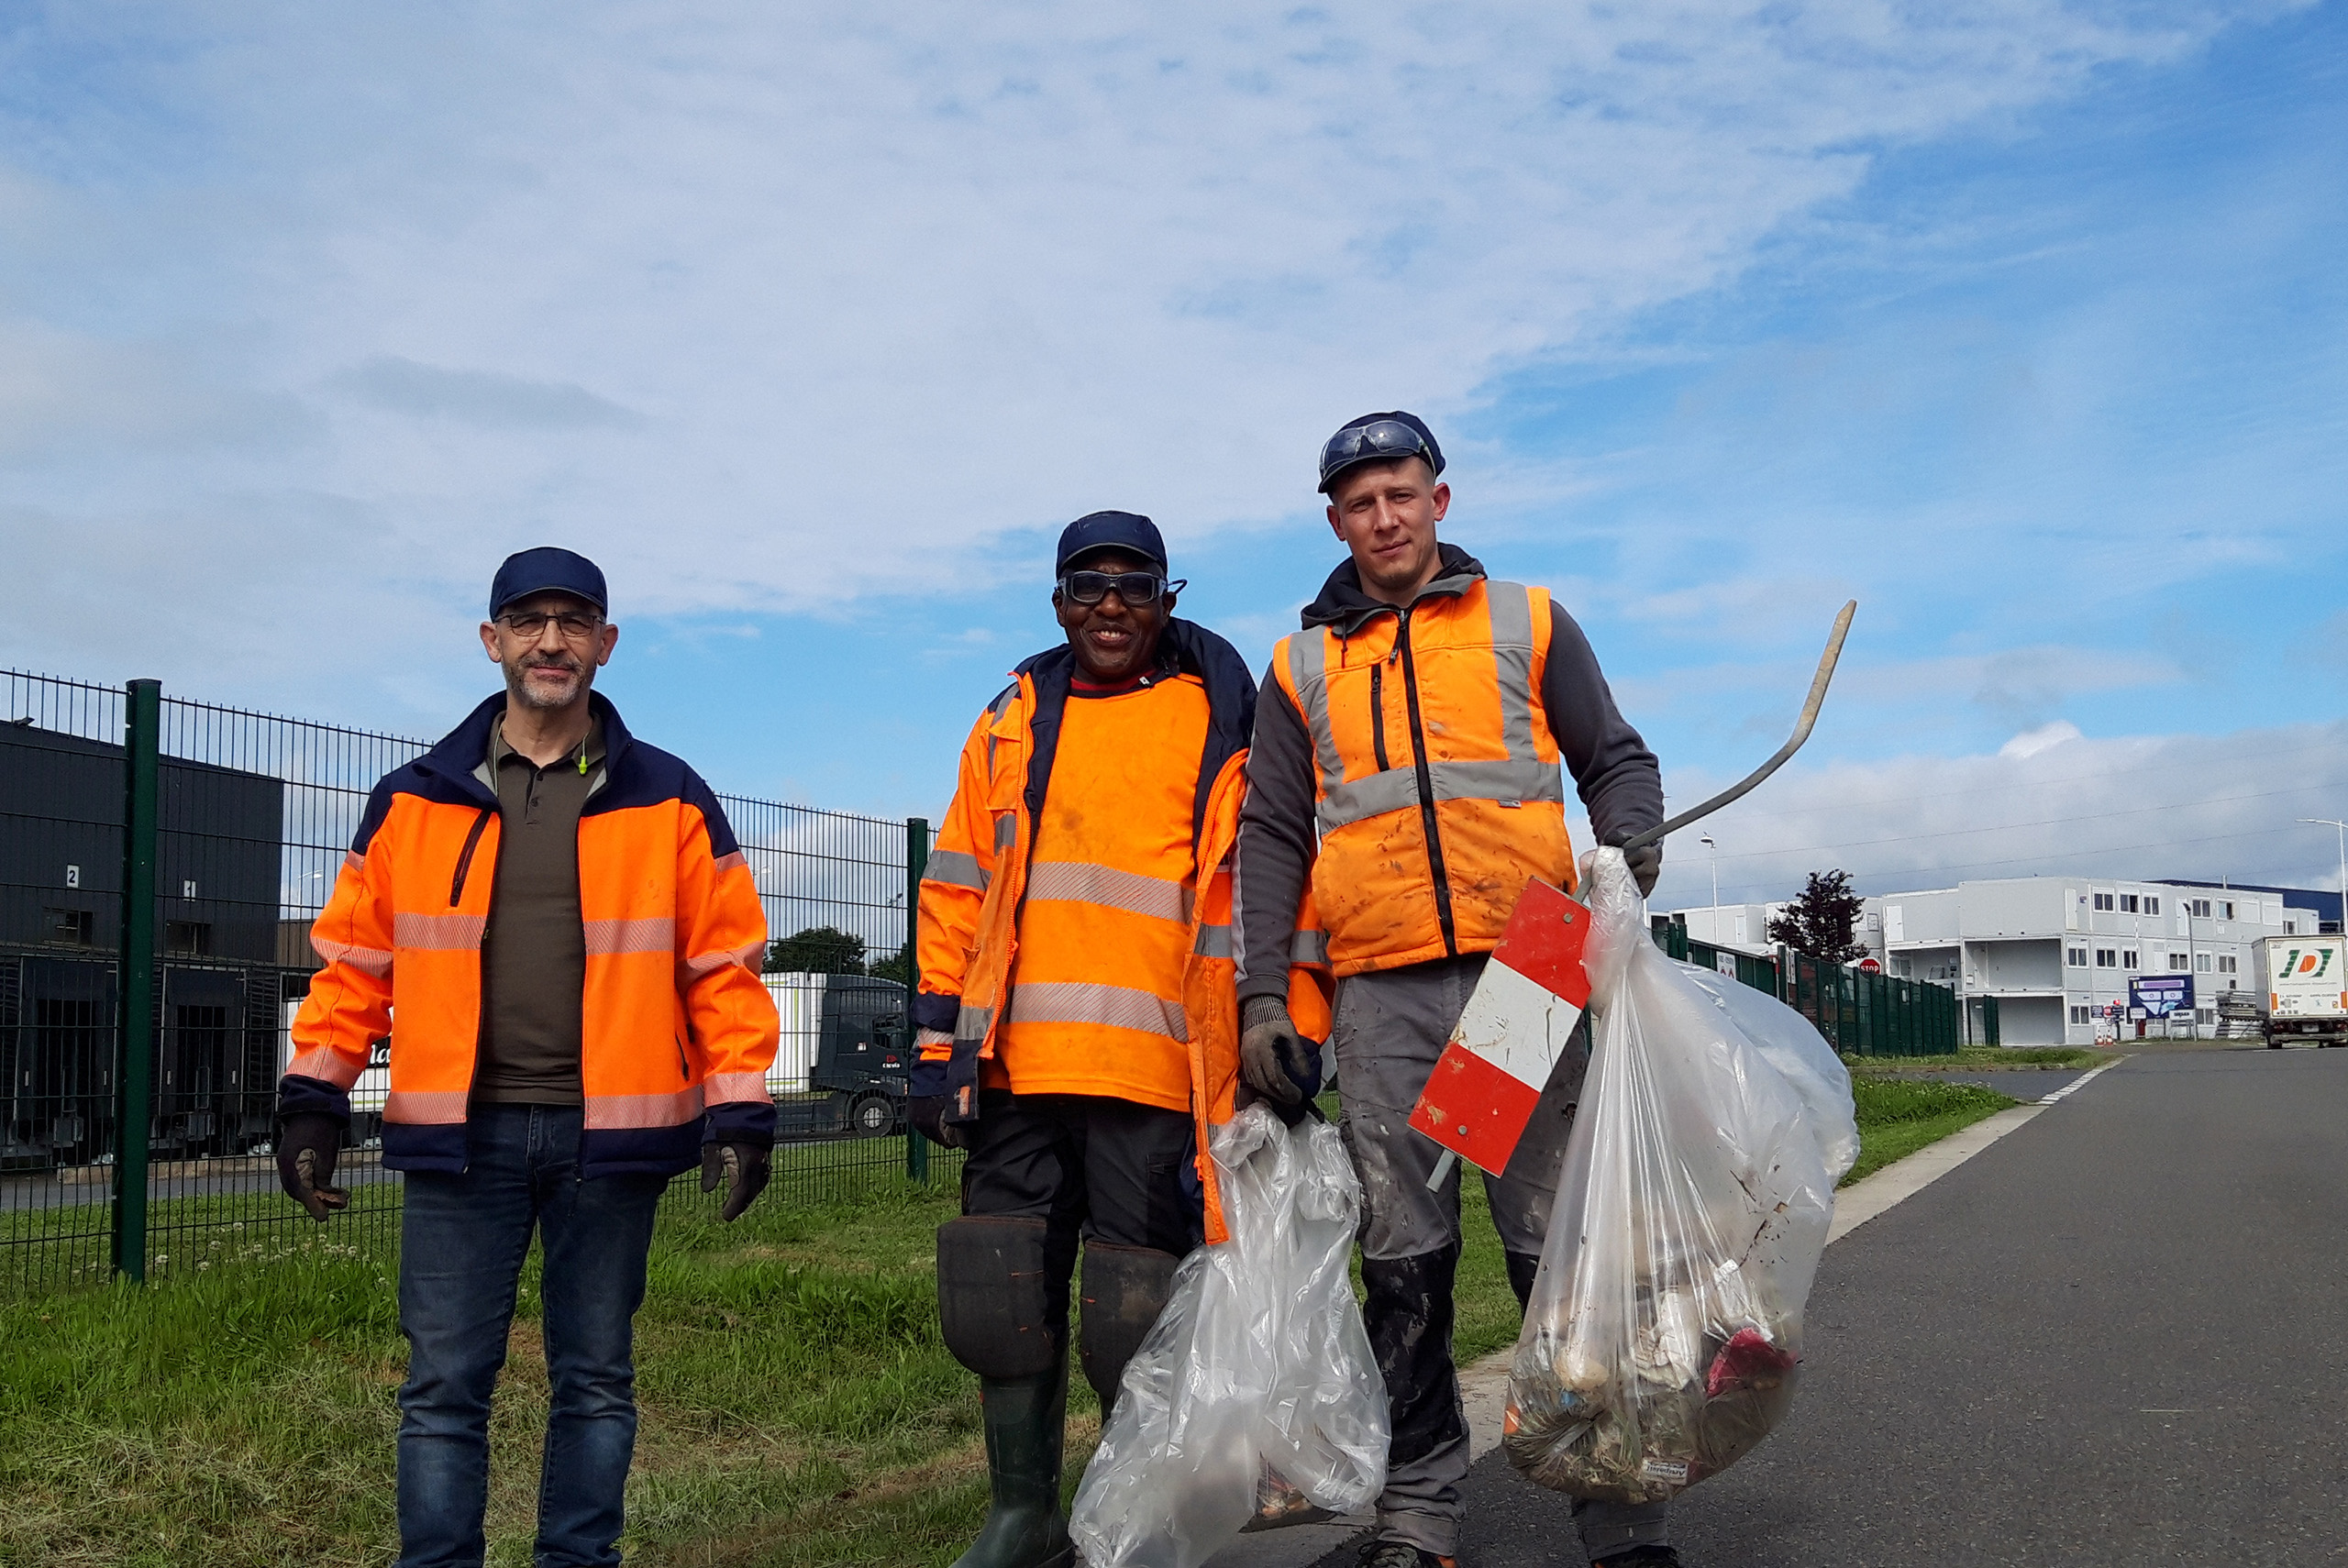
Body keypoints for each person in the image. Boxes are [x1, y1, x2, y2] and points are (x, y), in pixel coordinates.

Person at [272, 546, 780, 1568]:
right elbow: (354, 963)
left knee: (594, 1381)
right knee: (443, 1387)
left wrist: (741, 1112)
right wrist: (313, 1095)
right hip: (462, 1140)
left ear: (606, 643)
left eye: (574, 620)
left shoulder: (673, 796)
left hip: (613, 1139)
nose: (552, 640)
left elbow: (721, 967)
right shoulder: (414, 797)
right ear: (492, 640)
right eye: (529, 620)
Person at [1233, 414, 1674, 1568]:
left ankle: (1617, 1515)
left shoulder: (1526, 620)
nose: (1383, 517)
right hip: (1381, 996)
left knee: (1553, 1252)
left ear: (1440, 500)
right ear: (1333, 519)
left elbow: (1615, 759)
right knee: (1405, 1269)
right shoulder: (1298, 666)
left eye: (1402, 493)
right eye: (1358, 502)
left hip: (1526, 967)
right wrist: (1263, 999)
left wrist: (1627, 847)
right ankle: (1419, 1516)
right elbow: (1273, 833)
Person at [908, 511, 1327, 1568]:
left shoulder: (1222, 719)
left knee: (1129, 1315)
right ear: (1055, 602)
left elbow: (1280, 892)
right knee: (999, 1297)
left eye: (1132, 588)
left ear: (1165, 600)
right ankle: (1022, 1515)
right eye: (1086, 588)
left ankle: (1123, 1512)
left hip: (1156, 1073)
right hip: (1013, 1070)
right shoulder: (1009, 720)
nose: (1108, 608)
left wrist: (1292, 1027)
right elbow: (956, 886)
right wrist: (931, 1048)